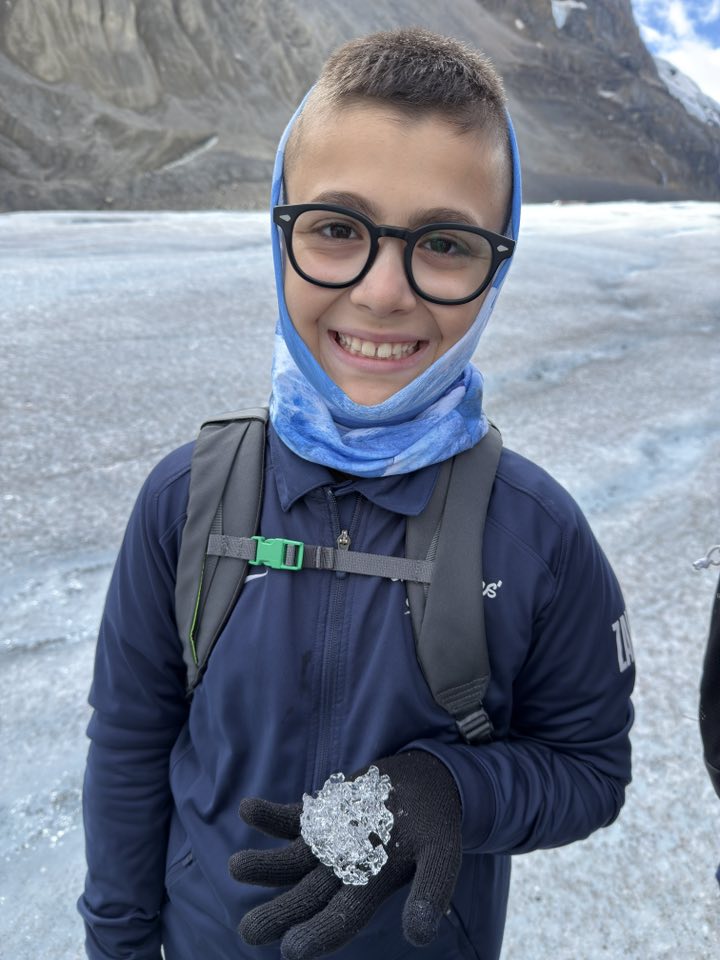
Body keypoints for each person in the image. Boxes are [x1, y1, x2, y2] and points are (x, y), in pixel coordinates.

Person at [78, 28, 635, 960]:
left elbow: (590, 768)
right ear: (280, 230)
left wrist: (454, 791)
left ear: (497, 265)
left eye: (444, 243)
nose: (381, 293)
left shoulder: (536, 536)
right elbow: (130, 752)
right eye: (337, 229)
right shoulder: (186, 501)